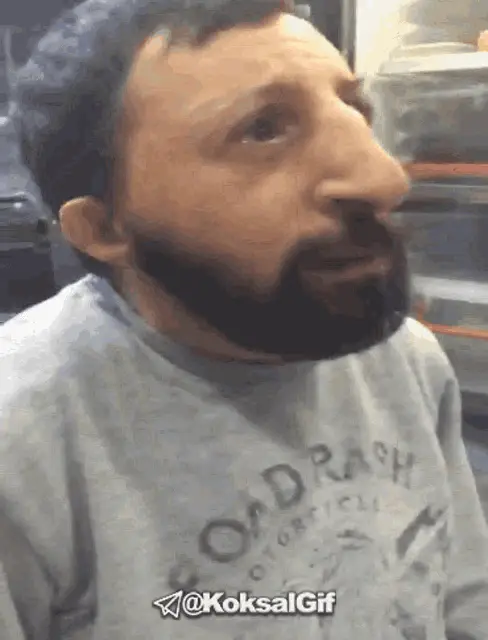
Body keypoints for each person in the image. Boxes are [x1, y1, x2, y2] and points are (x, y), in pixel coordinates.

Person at [0, 1, 487, 638]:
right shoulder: (23, 438)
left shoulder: (406, 358)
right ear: (104, 228)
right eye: (263, 129)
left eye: (355, 109)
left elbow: (463, 599)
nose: (384, 178)